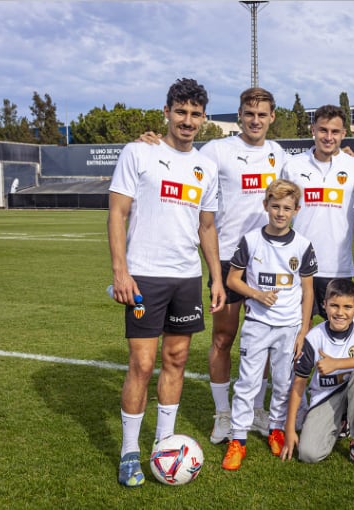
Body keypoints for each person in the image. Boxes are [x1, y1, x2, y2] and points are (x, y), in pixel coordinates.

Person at [135, 87, 290, 444]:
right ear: (239, 115)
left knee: (266, 339)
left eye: (262, 114)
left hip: (267, 259)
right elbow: (180, 158)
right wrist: (151, 143)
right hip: (227, 257)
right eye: (249, 114)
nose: (255, 120)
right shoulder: (216, 151)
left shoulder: (278, 154)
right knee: (223, 336)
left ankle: (257, 410)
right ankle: (223, 413)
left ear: (271, 118)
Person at [108, 78, 224, 488]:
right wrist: (121, 272)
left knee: (175, 360)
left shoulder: (207, 166)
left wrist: (216, 276)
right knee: (141, 364)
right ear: (167, 112)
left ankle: (164, 443)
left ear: (204, 119)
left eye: (195, 114)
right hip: (145, 277)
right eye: (181, 112)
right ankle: (128, 451)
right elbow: (118, 214)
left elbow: (207, 225)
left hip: (186, 279)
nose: (187, 121)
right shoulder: (139, 152)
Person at [219, 179, 317, 471]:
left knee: (284, 382)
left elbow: (308, 291)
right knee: (248, 382)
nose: (280, 213)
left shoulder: (303, 245)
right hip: (257, 324)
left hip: (289, 328)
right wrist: (256, 294)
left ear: (296, 210)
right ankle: (237, 439)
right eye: (275, 206)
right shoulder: (251, 240)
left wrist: (303, 330)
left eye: (287, 208)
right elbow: (232, 279)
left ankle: (276, 428)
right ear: (266, 206)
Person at [279, 280, 354, 472]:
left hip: (353, 389)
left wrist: (337, 364)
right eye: (334, 305)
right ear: (324, 305)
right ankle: (341, 422)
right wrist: (290, 428)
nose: (340, 313)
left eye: (347, 307)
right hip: (326, 397)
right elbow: (299, 385)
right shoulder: (314, 338)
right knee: (308, 454)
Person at [281, 105, 354, 320]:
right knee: (297, 337)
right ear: (313, 129)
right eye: (323, 130)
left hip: (339, 268)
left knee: (339, 338)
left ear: (344, 134)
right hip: (300, 267)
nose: (328, 137)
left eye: (335, 132)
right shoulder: (292, 165)